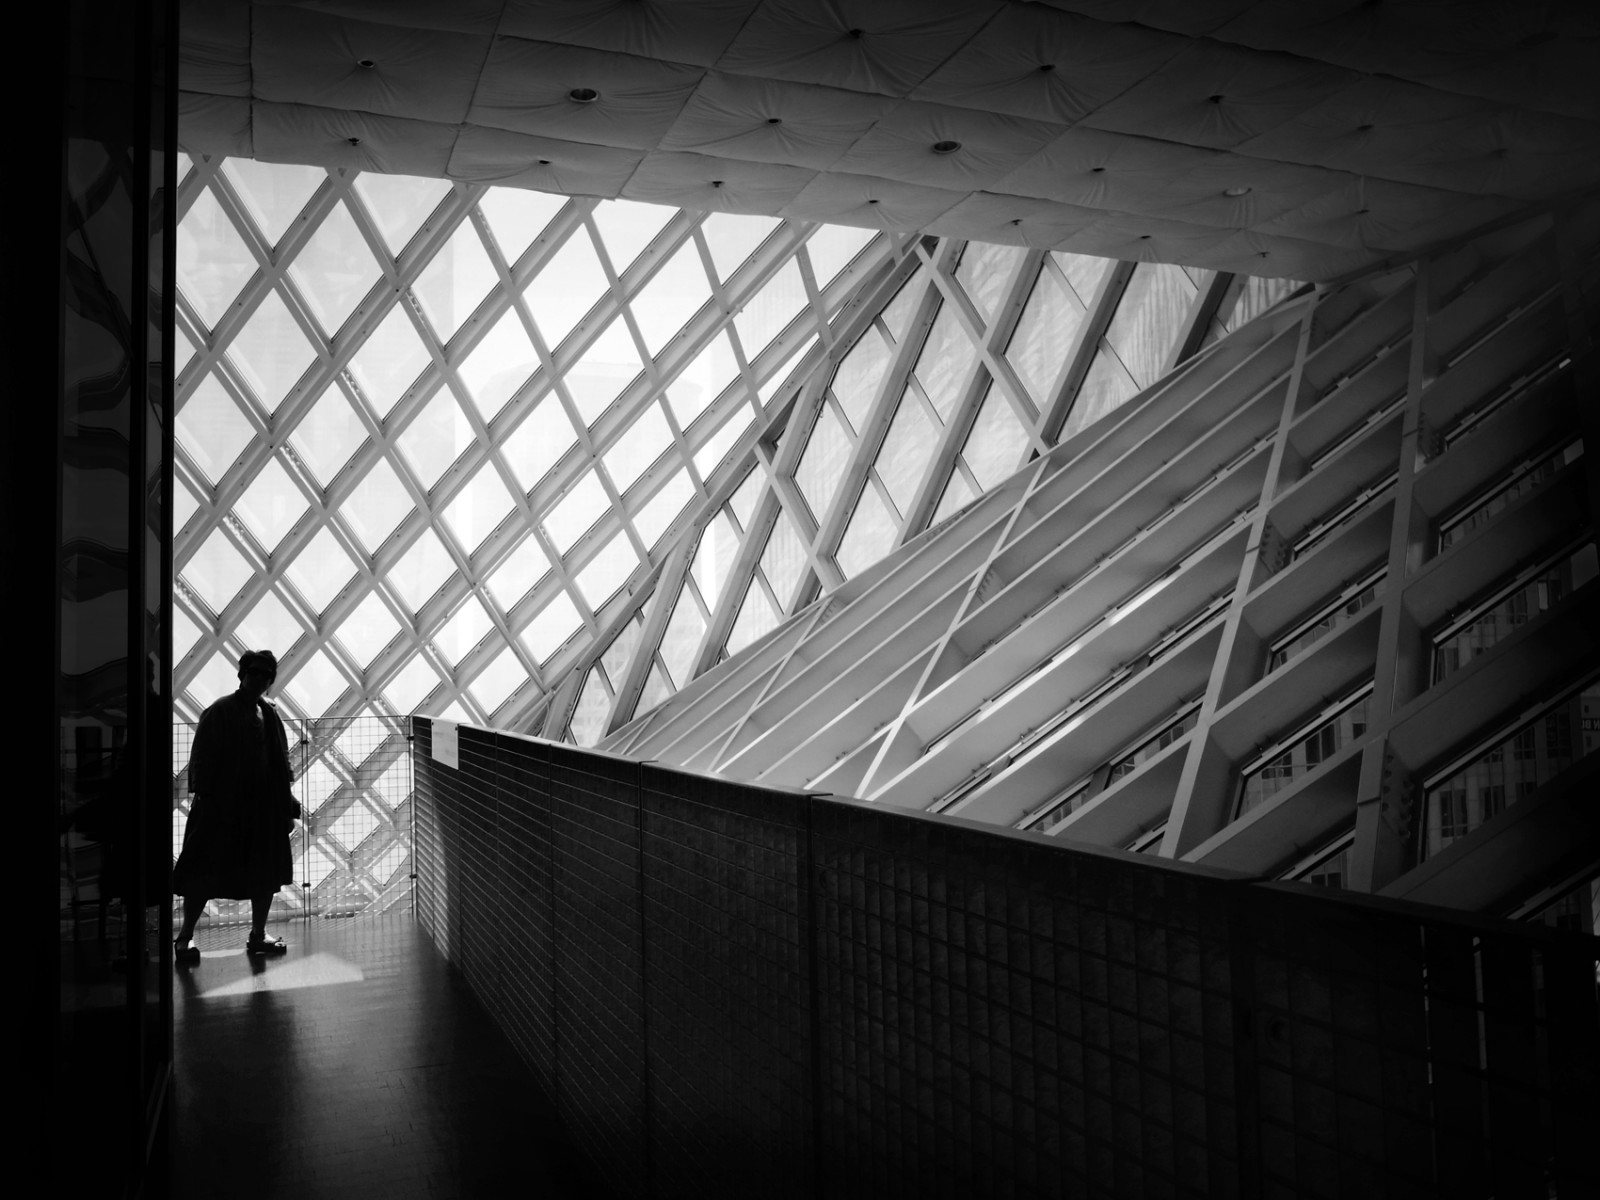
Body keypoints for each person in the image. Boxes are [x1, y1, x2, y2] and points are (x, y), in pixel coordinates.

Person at [172, 650, 301, 963]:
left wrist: (284, 803)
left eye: (265, 675)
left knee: (263, 875)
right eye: (255, 672)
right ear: (243, 673)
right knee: (205, 873)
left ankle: (255, 933)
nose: (259, 679)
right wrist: (210, 803)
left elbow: (278, 762)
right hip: (224, 811)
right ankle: (185, 936)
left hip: (259, 810)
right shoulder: (221, 712)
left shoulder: (266, 714)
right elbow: (201, 763)